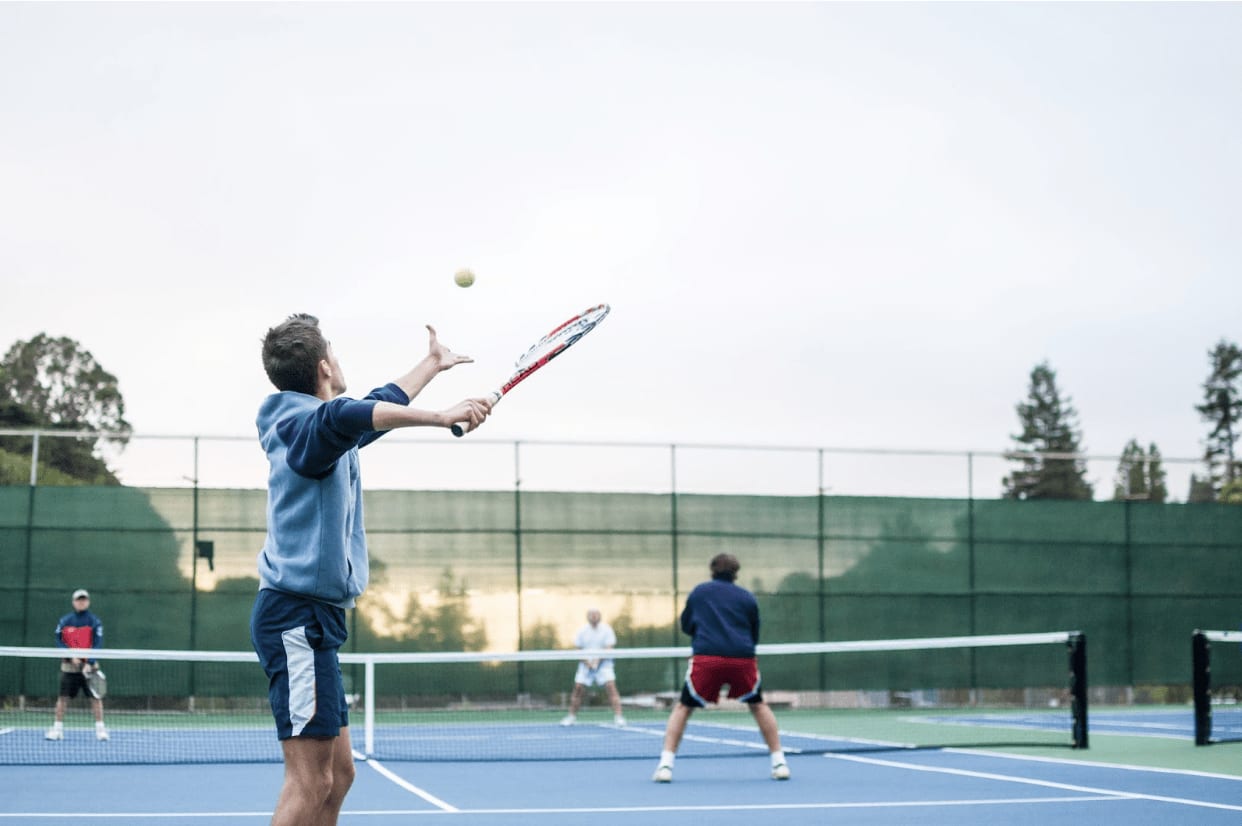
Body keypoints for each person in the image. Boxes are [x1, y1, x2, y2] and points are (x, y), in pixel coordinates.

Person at [249, 314, 492, 826]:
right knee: (309, 781)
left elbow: (369, 408)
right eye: (335, 354)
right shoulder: (305, 427)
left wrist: (431, 365)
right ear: (323, 367)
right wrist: (440, 415)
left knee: (339, 776)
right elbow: (347, 416)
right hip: (295, 618)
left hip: (317, 619)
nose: (340, 362)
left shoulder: (319, 428)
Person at [652, 553, 789, 783]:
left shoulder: (699, 593)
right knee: (758, 705)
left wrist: (705, 640)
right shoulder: (747, 597)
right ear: (736, 572)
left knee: (683, 708)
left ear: (712, 570)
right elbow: (754, 633)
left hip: (707, 659)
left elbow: (687, 625)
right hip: (742, 658)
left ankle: (665, 766)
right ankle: (780, 762)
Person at [45, 589, 108, 741]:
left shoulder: (94, 621)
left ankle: (101, 731)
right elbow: (59, 641)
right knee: (63, 698)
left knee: (96, 698)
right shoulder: (65, 621)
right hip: (69, 667)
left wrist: (90, 662)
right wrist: (70, 655)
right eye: (79, 600)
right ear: (74, 602)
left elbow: (98, 644)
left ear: (88, 602)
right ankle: (57, 730)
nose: (81, 602)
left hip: (90, 667)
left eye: (84, 599)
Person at [560, 608, 626, 727]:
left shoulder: (607, 630)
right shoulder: (582, 631)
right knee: (578, 688)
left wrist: (597, 661)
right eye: (592, 615)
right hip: (585, 666)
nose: (594, 617)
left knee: (611, 687)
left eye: (596, 615)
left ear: (600, 616)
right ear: (588, 617)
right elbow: (578, 649)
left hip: (604, 665)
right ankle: (571, 717)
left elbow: (609, 647)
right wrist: (588, 663)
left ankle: (619, 717)